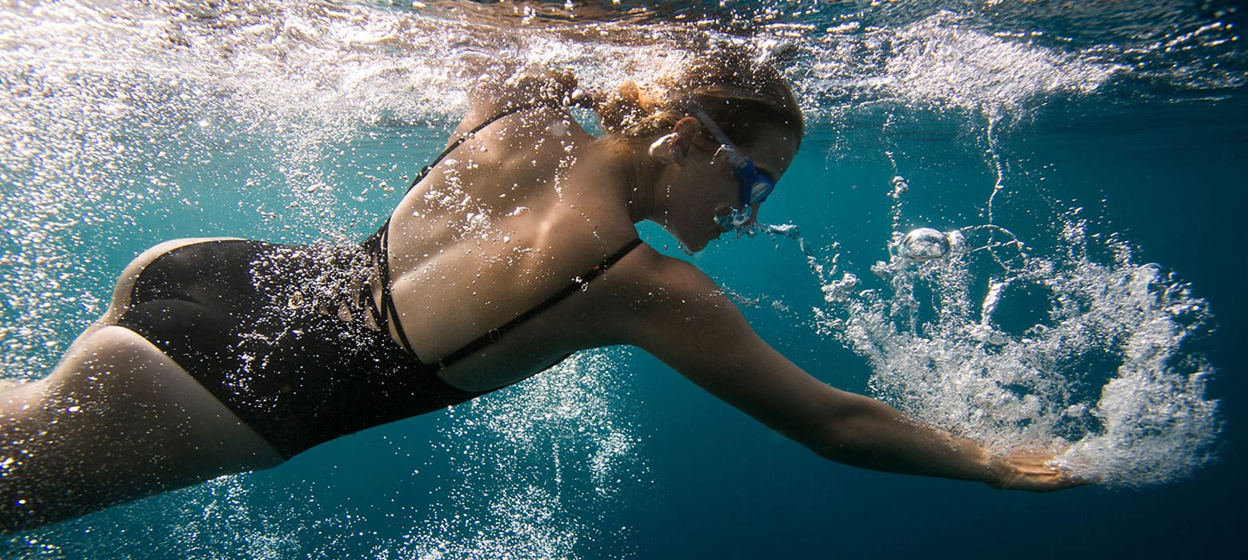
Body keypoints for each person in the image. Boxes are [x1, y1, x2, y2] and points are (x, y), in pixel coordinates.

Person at [0, 47, 1081, 532]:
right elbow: (835, 423)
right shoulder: (642, 284)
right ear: (676, 133)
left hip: (213, 269)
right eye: (747, 183)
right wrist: (991, 463)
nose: (743, 216)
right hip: (224, 391)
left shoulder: (524, 112)